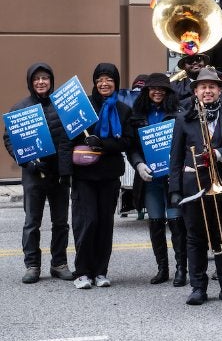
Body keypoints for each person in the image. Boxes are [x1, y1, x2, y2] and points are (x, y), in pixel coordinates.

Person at [168, 67, 222, 306]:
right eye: (203, 87)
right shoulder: (184, 119)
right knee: (196, 239)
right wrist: (174, 190)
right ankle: (198, 287)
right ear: (195, 91)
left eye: (212, 86)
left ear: (220, 90)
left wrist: (219, 154)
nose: (207, 91)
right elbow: (175, 157)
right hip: (194, 188)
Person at [61, 63, 134, 289]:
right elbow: (67, 139)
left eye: (109, 79)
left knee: (105, 224)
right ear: (94, 82)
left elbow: (127, 141)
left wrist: (102, 143)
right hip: (84, 176)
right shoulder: (84, 107)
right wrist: (66, 172)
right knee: (87, 222)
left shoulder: (123, 110)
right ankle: (82, 271)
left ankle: (101, 271)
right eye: (100, 79)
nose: (104, 83)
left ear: (116, 83)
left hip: (109, 175)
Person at [3, 63, 74, 284]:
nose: (41, 82)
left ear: (51, 81)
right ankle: (32, 265)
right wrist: (25, 161)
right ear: (30, 82)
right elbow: (9, 139)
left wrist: (67, 168)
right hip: (34, 174)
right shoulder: (20, 108)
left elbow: (70, 136)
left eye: (45, 78)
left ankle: (59, 263)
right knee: (32, 222)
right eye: (36, 79)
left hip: (59, 174)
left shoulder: (62, 106)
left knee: (61, 222)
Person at [127, 73, 186, 286]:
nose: (157, 92)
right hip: (150, 179)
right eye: (153, 88)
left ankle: (182, 269)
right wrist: (138, 164)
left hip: (173, 177)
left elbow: (185, 144)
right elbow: (132, 147)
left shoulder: (179, 114)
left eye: (162, 89)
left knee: (177, 222)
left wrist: (177, 167)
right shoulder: (137, 115)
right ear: (146, 91)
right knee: (155, 223)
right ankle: (162, 268)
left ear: (169, 92)